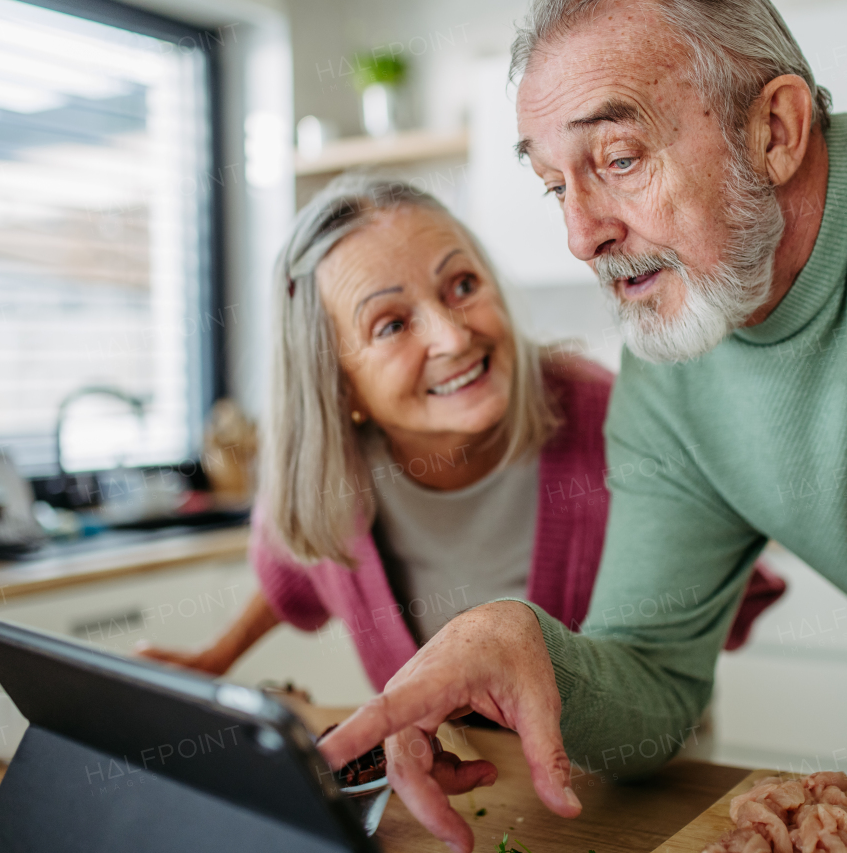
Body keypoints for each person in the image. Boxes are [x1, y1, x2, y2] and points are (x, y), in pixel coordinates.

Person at [318, 2, 847, 852]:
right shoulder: (668, 376)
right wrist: (527, 641)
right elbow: (654, 681)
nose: (582, 235)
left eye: (618, 158)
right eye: (555, 186)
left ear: (775, 130)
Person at [139, 175, 784, 700]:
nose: (452, 336)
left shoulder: (604, 418)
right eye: (391, 325)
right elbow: (292, 569)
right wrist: (216, 657)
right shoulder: (334, 484)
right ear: (334, 381)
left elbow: (719, 570)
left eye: (463, 286)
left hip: (628, 788)